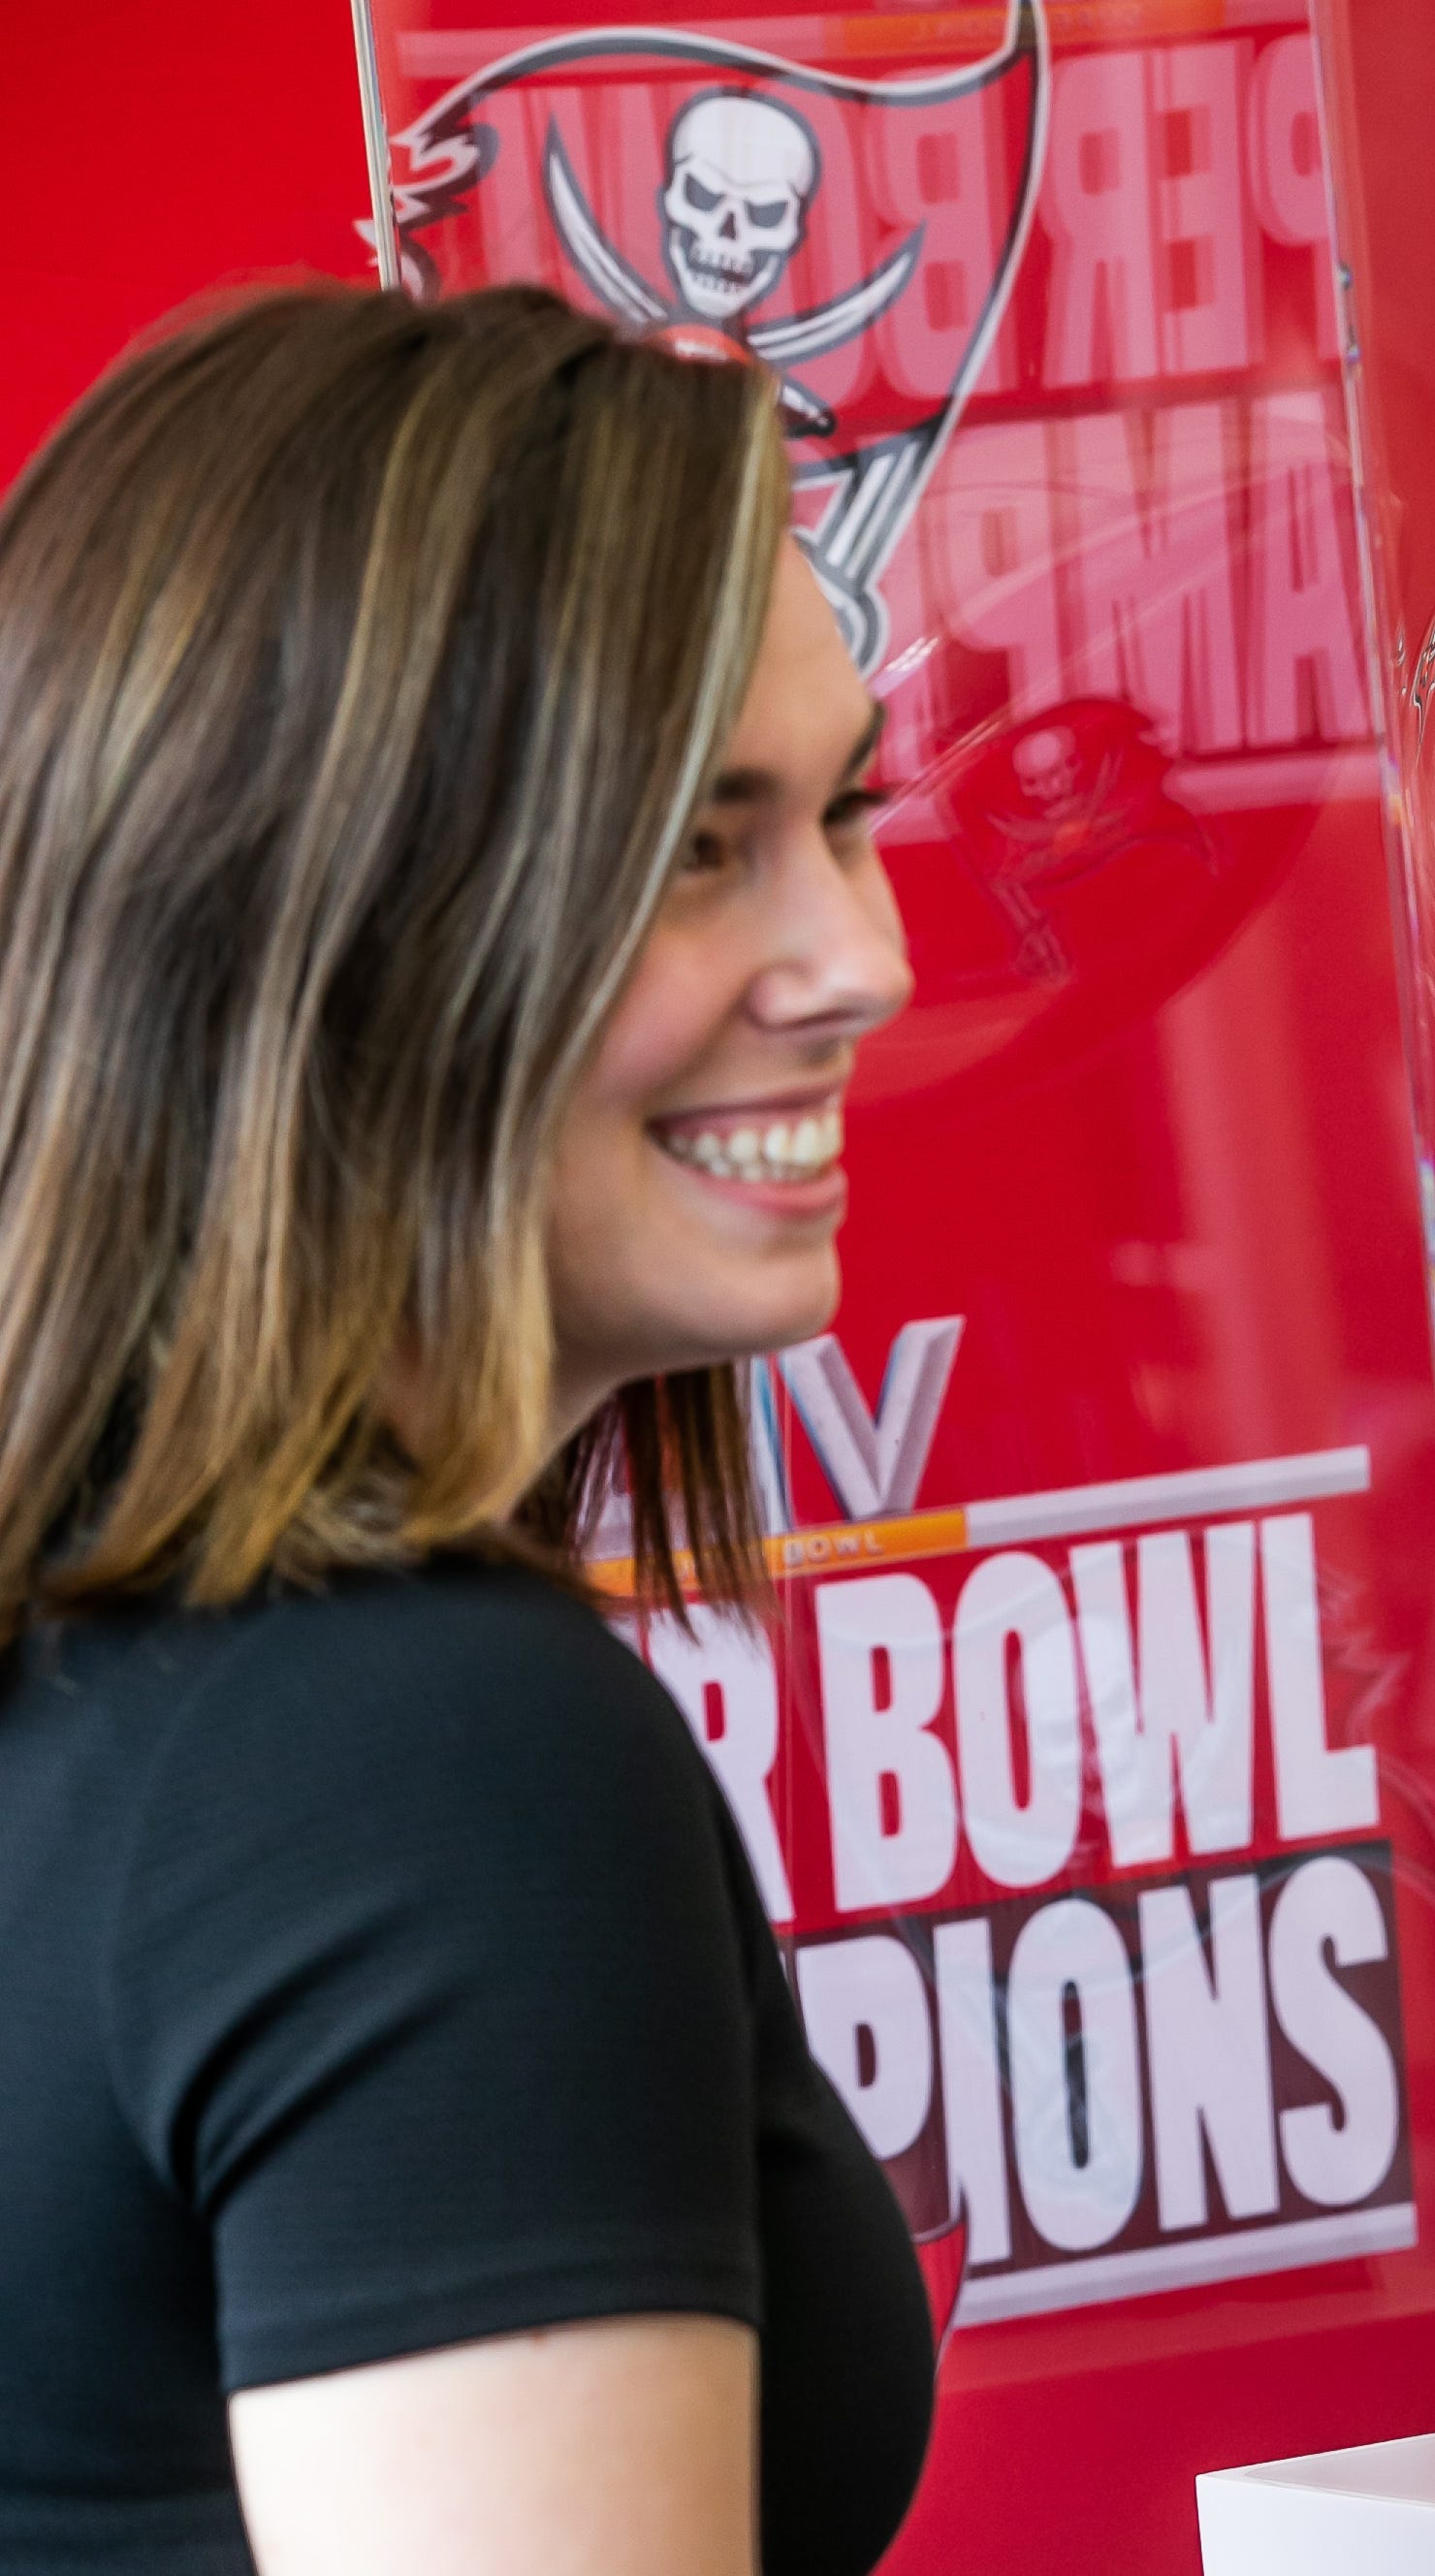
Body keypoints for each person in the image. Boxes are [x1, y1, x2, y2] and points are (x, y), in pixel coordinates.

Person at [0, 286, 931, 2576]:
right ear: (337, 916)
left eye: (848, 812)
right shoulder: (422, 1757)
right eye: (706, 848)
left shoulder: (133, 1697)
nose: (860, 959)